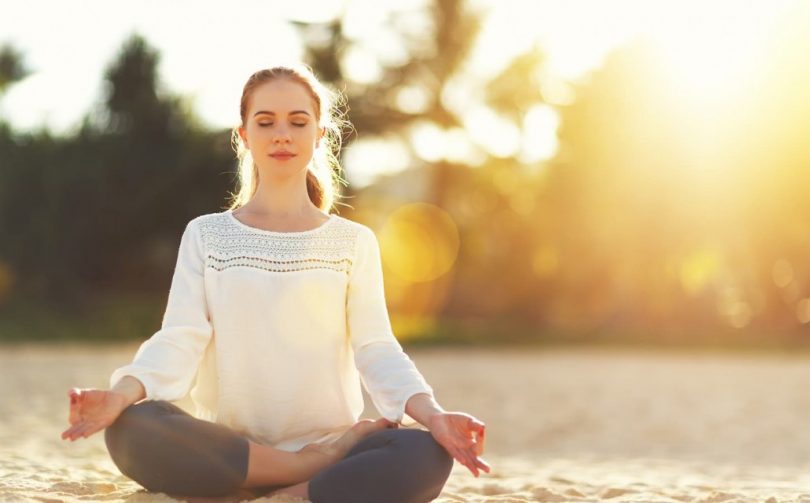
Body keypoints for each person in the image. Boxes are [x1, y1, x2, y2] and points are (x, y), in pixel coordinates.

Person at [61, 64, 490, 503]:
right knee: (132, 428)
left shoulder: (353, 242)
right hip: (231, 450)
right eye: (265, 122)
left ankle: (290, 491)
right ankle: (304, 472)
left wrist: (435, 417)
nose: (281, 134)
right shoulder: (206, 235)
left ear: (319, 134)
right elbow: (180, 338)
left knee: (426, 453)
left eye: (297, 122)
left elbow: (376, 348)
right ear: (244, 135)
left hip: (331, 445)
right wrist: (119, 397)